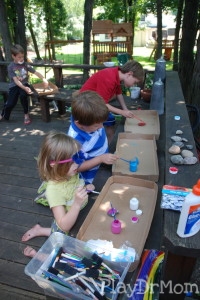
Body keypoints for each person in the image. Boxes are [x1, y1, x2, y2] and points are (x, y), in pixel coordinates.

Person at [34, 91, 119, 206]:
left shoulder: (90, 119)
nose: (101, 127)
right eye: (96, 125)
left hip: (101, 162)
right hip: (89, 176)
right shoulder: (76, 142)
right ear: (79, 124)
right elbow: (76, 167)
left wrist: (103, 156)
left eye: (102, 123)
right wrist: (100, 159)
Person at [22, 130, 95, 258]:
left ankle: (39, 230)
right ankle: (37, 255)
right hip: (66, 222)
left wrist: (86, 188)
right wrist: (77, 203)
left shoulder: (69, 172)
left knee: (57, 232)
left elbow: (76, 186)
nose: (78, 164)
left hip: (78, 215)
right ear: (55, 165)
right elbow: (64, 225)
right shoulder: (54, 190)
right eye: (73, 161)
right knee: (62, 255)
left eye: (79, 157)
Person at [79, 60, 145, 141]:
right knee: (94, 132)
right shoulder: (109, 78)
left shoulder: (116, 74)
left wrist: (125, 109)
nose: (133, 85)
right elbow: (102, 104)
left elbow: (118, 94)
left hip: (96, 103)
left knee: (110, 121)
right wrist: (122, 112)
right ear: (129, 74)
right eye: (135, 82)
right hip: (85, 106)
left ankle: (110, 144)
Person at [0, 44, 49, 124]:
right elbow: (16, 81)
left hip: (25, 84)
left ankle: (26, 114)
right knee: (11, 102)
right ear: (13, 56)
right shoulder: (11, 67)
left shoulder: (26, 64)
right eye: (19, 57)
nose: (22, 59)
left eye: (22, 56)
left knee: (23, 96)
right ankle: (3, 114)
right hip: (14, 86)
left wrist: (43, 79)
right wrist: (24, 88)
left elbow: (35, 72)